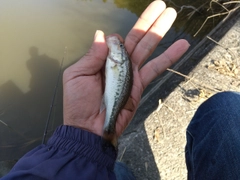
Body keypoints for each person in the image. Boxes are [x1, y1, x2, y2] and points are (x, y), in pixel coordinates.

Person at [1, 1, 190, 179]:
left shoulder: (117, 61)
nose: (118, 45)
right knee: (119, 169)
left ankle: (109, 146)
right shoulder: (116, 61)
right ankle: (110, 149)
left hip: (81, 159)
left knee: (118, 169)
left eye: (121, 47)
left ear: (120, 56)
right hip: (88, 160)